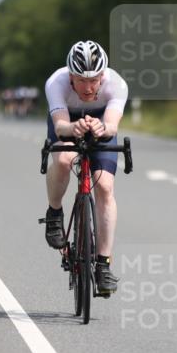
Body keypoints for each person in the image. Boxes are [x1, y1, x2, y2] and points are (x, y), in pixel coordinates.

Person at [42, 40, 128, 296]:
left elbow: (112, 125)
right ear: (70, 76)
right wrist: (73, 129)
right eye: (81, 80)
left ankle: (103, 264)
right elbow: (60, 126)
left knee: (104, 186)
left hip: (101, 123)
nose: (89, 87)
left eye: (94, 80)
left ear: (103, 75)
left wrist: (101, 128)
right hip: (67, 121)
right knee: (64, 159)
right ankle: (54, 213)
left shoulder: (117, 84)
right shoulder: (55, 83)